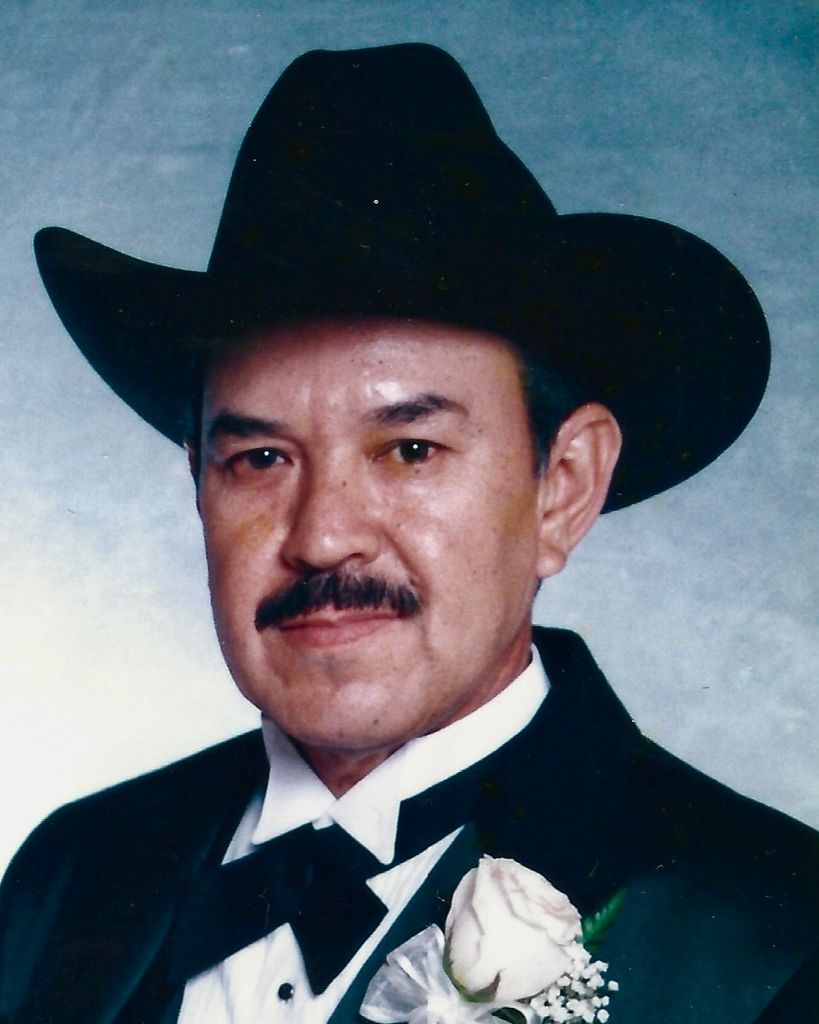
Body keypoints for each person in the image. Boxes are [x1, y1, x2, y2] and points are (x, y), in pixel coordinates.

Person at [0, 43, 815, 1024]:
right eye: (260, 458)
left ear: (562, 487)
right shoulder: (66, 874)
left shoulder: (773, 943)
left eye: (410, 450)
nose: (321, 537)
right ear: (198, 484)